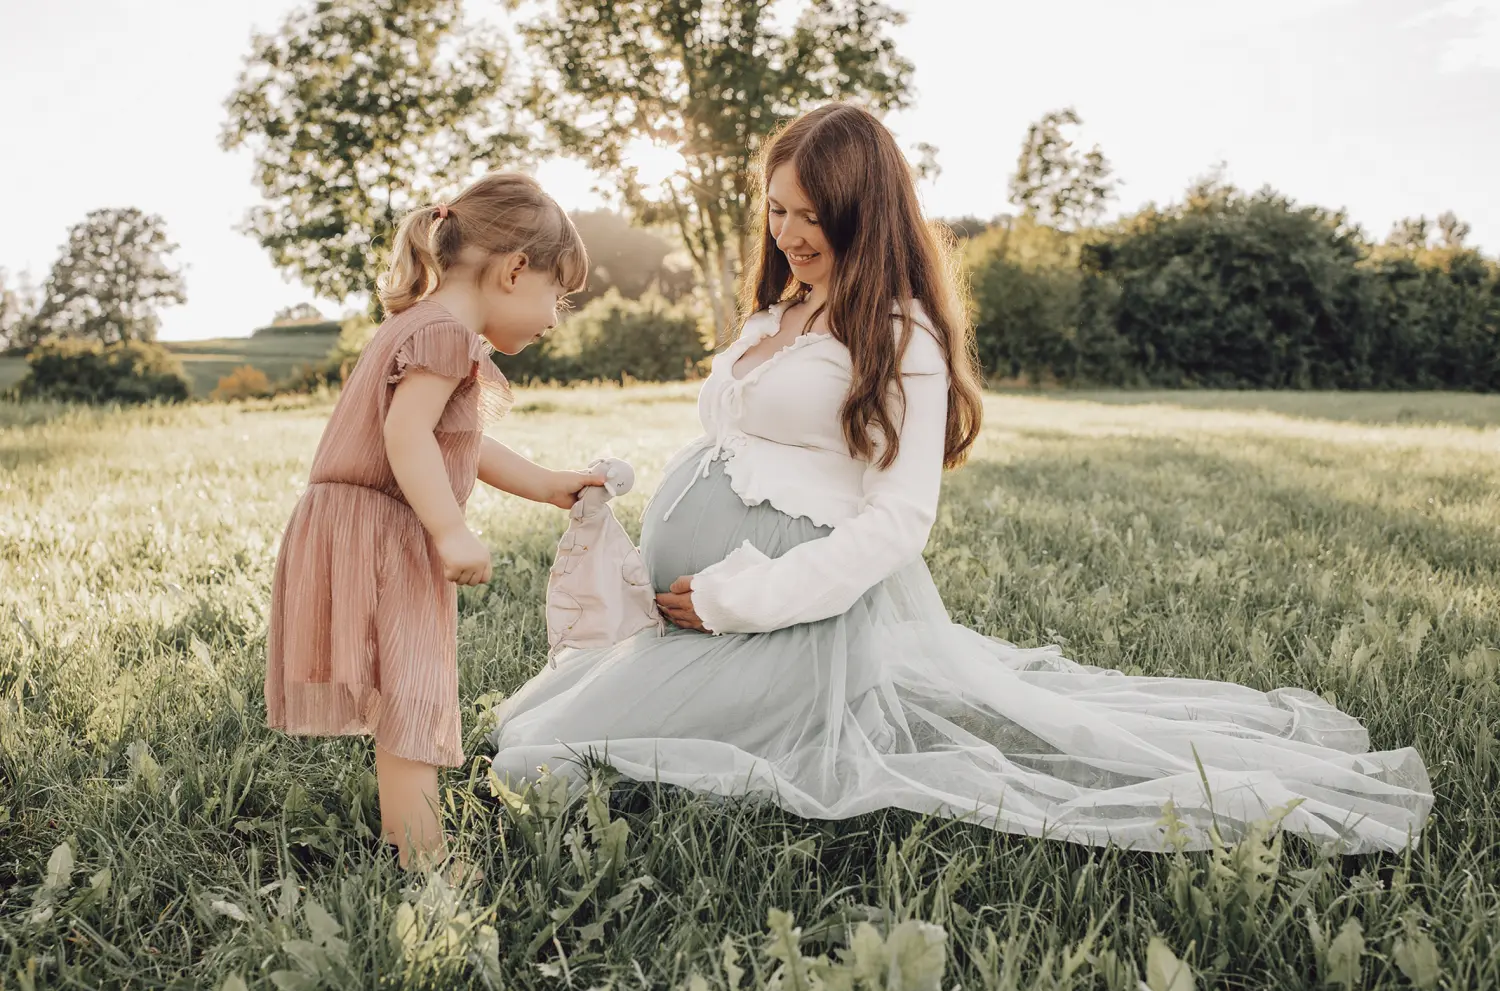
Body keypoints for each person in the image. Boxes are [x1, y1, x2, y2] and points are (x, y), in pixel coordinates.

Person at [488, 106, 1432, 853]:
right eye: (778, 208)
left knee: (548, 754)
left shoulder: (901, 336)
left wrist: (748, 596)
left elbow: (898, 522)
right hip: (702, 612)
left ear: (868, 212)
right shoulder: (783, 303)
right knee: (539, 727)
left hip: (781, 623)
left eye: (815, 215)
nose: (791, 232)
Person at [265, 172, 604, 873]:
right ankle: (425, 863)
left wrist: (546, 485)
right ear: (515, 270)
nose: (554, 317)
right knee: (416, 697)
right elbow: (408, 434)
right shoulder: (447, 335)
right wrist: (448, 528)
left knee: (402, 698)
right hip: (389, 527)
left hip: (355, 520)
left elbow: (460, 442)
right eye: (557, 296)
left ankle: (406, 841)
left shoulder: (419, 325)